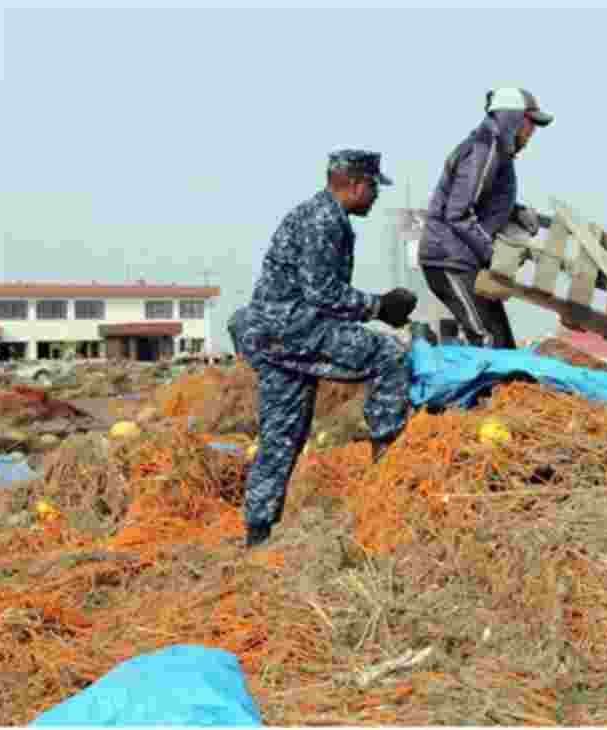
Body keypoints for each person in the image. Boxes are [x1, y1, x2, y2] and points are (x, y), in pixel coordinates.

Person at [227, 149, 419, 548]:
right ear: (354, 185)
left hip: (277, 334)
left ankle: (257, 533)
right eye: (372, 188)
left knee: (282, 434)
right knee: (390, 356)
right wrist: (380, 307)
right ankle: (390, 464)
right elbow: (321, 293)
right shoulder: (324, 220)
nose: (375, 197)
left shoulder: (317, 214)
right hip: (295, 328)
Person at [418, 87, 553, 349]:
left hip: (466, 260)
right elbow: (458, 213)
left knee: (503, 345)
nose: (532, 133)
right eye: (530, 123)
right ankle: (485, 391)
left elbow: (483, 201)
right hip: (449, 260)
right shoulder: (483, 150)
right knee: (487, 342)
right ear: (511, 119)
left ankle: (502, 389)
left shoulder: (499, 152)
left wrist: (515, 211)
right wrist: (493, 255)